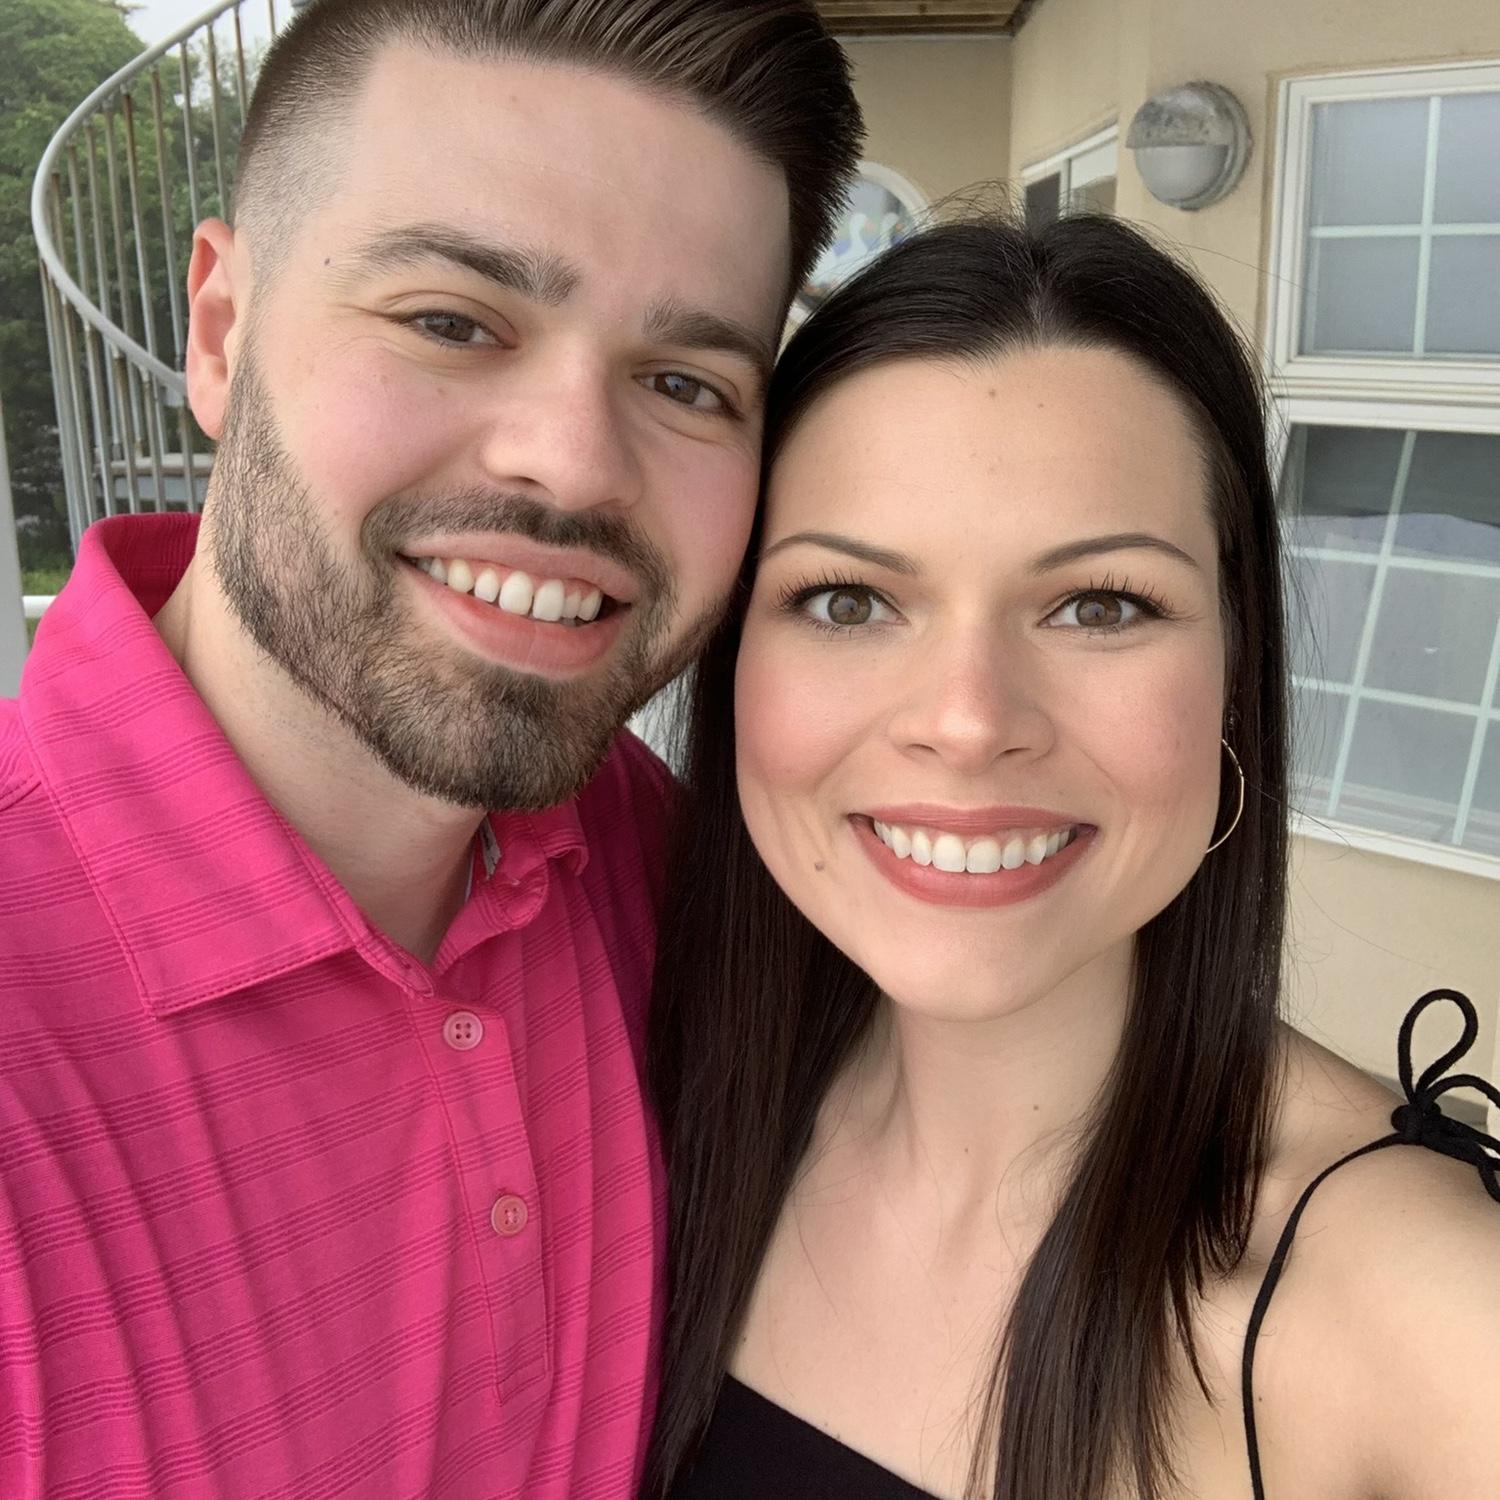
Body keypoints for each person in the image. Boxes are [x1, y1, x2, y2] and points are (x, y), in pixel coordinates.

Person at [0, 2, 861, 1494]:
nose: (576, 464)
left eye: (687, 384)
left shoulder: (639, 848)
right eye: (453, 322)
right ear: (220, 332)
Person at [643, 214, 1500, 1500]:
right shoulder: (653, 1122)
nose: (970, 721)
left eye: (1100, 605)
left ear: (1232, 671)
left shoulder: (1420, 1309)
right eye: (848, 600)